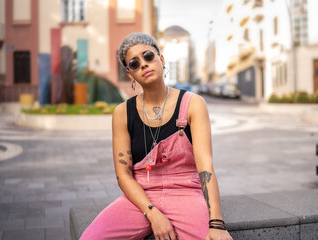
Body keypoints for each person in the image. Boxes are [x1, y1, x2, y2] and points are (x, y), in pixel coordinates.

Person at [80, 32, 232, 240]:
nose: (143, 64)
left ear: (161, 59)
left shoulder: (193, 105)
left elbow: (205, 167)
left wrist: (216, 224)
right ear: (130, 74)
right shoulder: (122, 113)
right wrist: (153, 213)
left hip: (186, 191)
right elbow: (123, 175)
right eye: (134, 63)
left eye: (148, 56)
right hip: (140, 195)